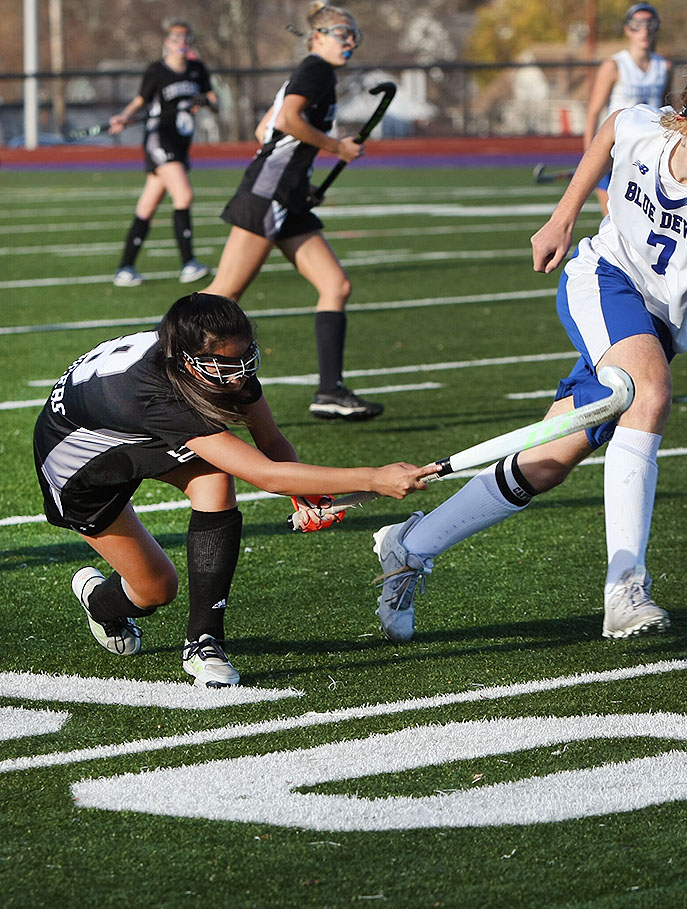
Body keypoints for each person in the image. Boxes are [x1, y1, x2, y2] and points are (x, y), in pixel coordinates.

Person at [370, 58, 687, 644]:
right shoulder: (644, 128)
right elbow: (609, 130)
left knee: (547, 460)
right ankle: (624, 588)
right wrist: (562, 217)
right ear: (684, 123)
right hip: (602, 279)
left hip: (656, 326)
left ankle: (409, 546)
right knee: (647, 393)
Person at [33, 293, 437, 687]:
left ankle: (203, 642)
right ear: (188, 363)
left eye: (247, 358)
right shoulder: (158, 393)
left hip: (132, 430)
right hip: (80, 464)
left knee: (214, 480)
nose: (241, 375)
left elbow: (272, 442)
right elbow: (267, 475)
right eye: (228, 365)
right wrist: (372, 478)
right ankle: (101, 602)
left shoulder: (215, 358)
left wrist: (307, 495)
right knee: (156, 590)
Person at [205, 2, 381, 422]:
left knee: (335, 285)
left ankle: (329, 392)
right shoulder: (315, 69)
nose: (351, 40)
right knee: (222, 296)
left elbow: (262, 129)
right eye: (342, 32)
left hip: (288, 196)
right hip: (269, 194)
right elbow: (285, 119)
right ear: (318, 37)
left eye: (353, 33)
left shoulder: (314, 74)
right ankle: (155, 365)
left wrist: (301, 185)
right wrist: (338, 147)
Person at [110, 18, 219, 288]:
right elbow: (140, 100)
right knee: (184, 194)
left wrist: (204, 101)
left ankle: (125, 268)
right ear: (166, 43)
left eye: (185, 37)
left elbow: (214, 100)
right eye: (175, 38)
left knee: (147, 206)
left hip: (181, 143)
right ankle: (188, 263)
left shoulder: (197, 69)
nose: (181, 43)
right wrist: (123, 117)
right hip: (159, 139)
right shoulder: (156, 71)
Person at [583, 2, 671, 216]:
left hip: (649, 152)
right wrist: (589, 156)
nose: (644, 30)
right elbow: (594, 112)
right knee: (613, 220)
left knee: (645, 220)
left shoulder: (665, 67)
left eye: (650, 24)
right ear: (627, 30)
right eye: (637, 24)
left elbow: (669, 109)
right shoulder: (614, 66)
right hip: (615, 148)